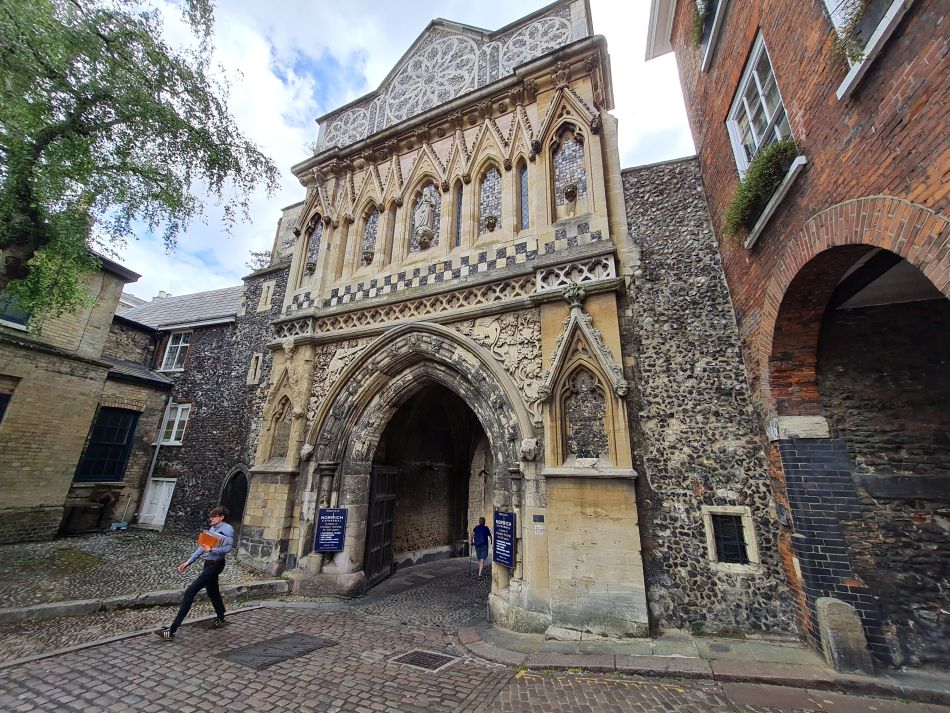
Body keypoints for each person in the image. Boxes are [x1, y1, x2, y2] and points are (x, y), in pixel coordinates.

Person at [155, 505, 234, 640]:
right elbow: (202, 547)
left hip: (216, 564)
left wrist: (212, 551)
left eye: (214, 516)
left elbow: (227, 548)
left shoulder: (228, 529)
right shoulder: (212, 529)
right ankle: (221, 616)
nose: (212, 518)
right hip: (208, 563)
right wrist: (188, 562)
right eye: (211, 516)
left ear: (221, 517)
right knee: (212, 591)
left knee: (190, 591)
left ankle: (172, 630)